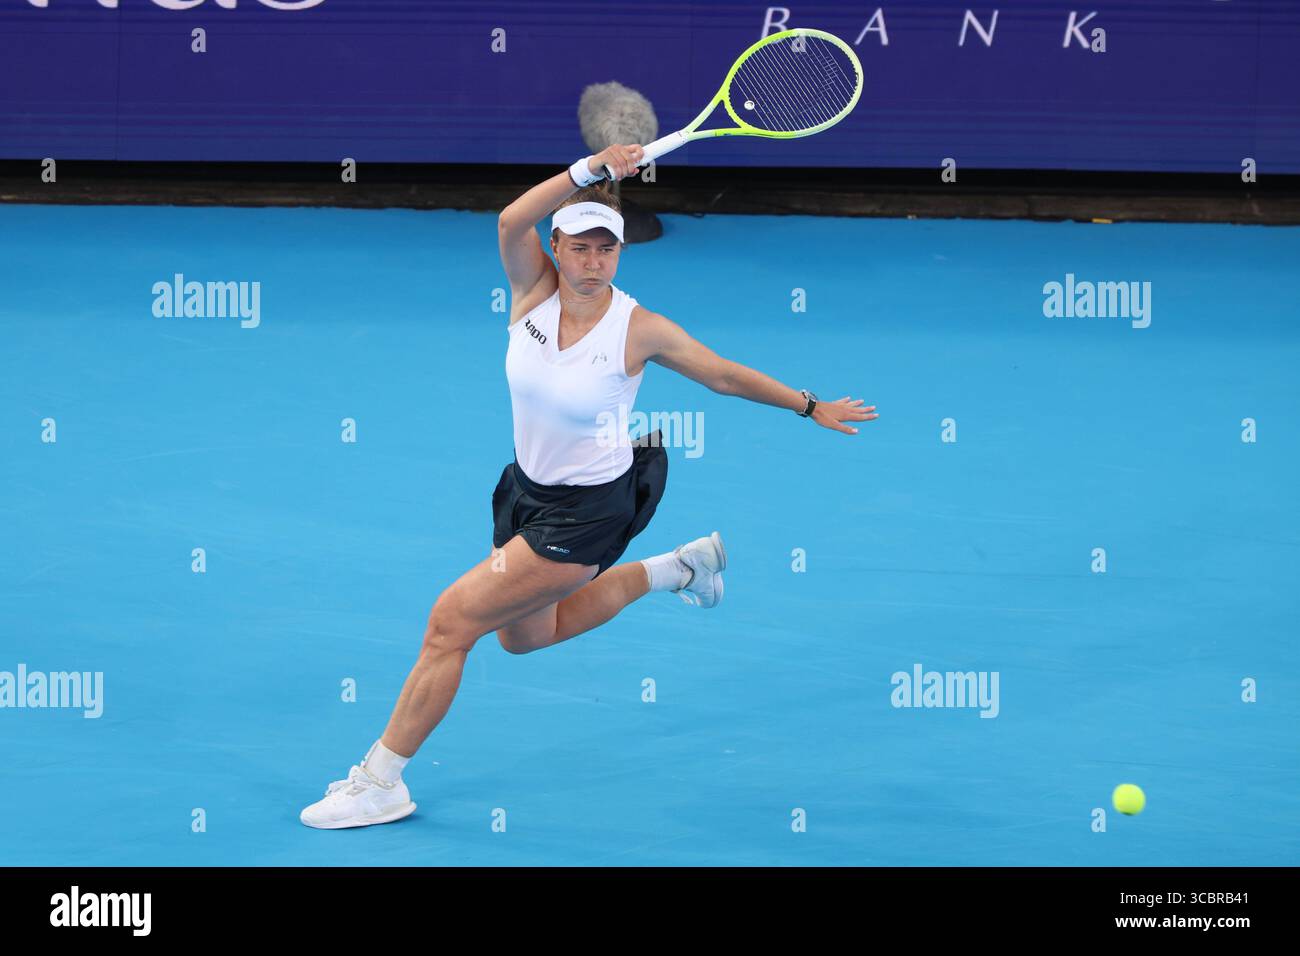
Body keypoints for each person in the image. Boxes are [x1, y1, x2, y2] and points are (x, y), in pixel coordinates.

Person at [300, 143, 877, 829]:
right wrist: (587, 170)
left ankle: (381, 780)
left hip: (585, 513)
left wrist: (808, 405)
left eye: (607, 249)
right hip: (523, 492)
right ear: (558, 247)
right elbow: (510, 221)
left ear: (619, 255)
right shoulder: (531, 291)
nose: (593, 260)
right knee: (523, 638)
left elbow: (721, 374)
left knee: (450, 624)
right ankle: (675, 570)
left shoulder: (639, 329)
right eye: (580, 246)